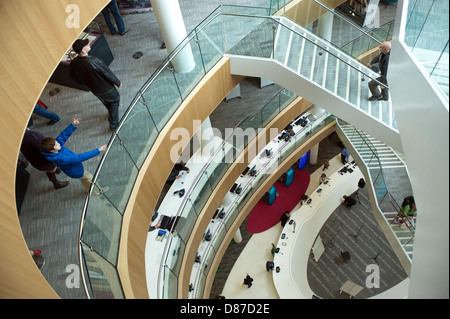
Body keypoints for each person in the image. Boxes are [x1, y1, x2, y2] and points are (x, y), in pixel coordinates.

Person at [40, 118, 107, 195]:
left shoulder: (52, 151)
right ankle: (97, 192)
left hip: (73, 168)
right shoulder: (63, 158)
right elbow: (81, 157)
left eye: (56, 142)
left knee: (85, 180)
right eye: (56, 145)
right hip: (76, 171)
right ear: (52, 150)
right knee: (89, 178)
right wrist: (98, 150)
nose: (58, 143)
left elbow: (62, 137)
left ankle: (89, 190)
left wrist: (73, 125)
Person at [69, 39, 122, 130]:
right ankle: (113, 124)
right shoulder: (94, 61)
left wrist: (84, 83)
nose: (89, 44)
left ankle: (110, 113)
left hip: (95, 90)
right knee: (114, 102)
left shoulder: (73, 63)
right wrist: (117, 82)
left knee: (106, 101)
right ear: (83, 50)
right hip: (107, 89)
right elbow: (107, 73)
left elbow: (74, 78)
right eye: (86, 44)